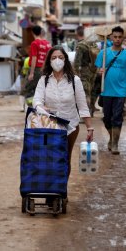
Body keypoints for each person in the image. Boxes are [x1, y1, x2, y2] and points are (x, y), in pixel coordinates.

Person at [33, 45, 93, 178]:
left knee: (65, 158)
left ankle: (62, 191)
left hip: (70, 126)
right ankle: (51, 189)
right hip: (50, 126)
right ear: (49, 61)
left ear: (65, 60)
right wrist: (41, 107)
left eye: (60, 57)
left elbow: (82, 106)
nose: (57, 60)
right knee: (50, 158)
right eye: (54, 58)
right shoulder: (44, 80)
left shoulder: (74, 81)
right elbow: (36, 100)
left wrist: (90, 128)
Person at [95, 26, 126, 155]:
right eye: (115, 37)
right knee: (107, 118)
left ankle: (115, 144)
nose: (117, 39)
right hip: (106, 91)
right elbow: (97, 71)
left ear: (123, 38)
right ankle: (112, 137)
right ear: (111, 37)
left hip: (121, 91)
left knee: (117, 117)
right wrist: (100, 71)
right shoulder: (103, 53)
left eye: (120, 37)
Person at [73, 26, 98, 116]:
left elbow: (76, 62)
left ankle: (85, 114)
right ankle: (90, 112)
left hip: (84, 71)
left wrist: (75, 74)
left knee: (84, 93)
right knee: (90, 92)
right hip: (93, 71)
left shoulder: (81, 45)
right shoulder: (93, 44)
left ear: (77, 33)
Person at [23, 25, 52, 99]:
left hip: (36, 69)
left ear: (33, 33)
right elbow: (50, 57)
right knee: (42, 88)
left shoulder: (34, 43)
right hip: (45, 69)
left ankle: (28, 106)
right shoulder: (48, 44)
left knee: (28, 88)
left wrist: (31, 73)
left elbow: (34, 58)